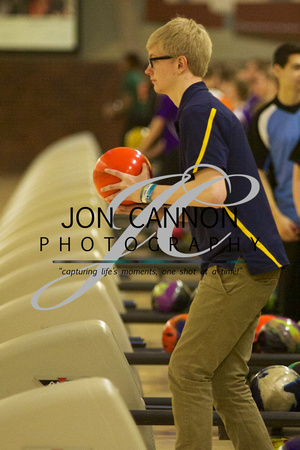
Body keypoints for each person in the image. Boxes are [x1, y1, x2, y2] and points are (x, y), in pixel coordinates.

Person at [101, 18, 288, 449]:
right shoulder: (199, 108)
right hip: (248, 260)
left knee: (187, 370)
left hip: (240, 261)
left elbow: (214, 190)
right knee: (225, 380)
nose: (147, 70)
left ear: (179, 62)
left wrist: (144, 190)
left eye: (154, 61)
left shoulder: (198, 110)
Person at [247, 43, 300, 322]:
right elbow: (258, 173)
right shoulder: (263, 117)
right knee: (289, 310)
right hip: (287, 224)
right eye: (296, 67)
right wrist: (277, 218)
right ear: (277, 70)